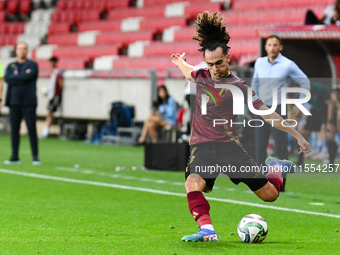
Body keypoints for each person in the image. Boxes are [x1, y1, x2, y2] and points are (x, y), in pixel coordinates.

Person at [171, 11, 310, 242]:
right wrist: (181, 63)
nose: (215, 68)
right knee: (193, 183)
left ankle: (275, 166)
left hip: (230, 149)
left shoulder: (239, 87)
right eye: (210, 64)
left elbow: (267, 114)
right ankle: (208, 231)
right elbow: (188, 73)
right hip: (203, 146)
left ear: (228, 57)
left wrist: (296, 134)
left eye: (219, 63)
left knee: (270, 195)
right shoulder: (202, 75)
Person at [251, 35, 310, 191]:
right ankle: (259, 184)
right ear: (266, 47)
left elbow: (305, 82)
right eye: (269, 44)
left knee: (281, 147)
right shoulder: (259, 63)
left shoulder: (288, 65)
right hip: (260, 109)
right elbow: (254, 84)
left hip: (278, 109)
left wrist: (300, 103)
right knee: (259, 147)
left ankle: (280, 185)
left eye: (275, 45)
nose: (272, 47)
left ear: (280, 47)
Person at [4, 42, 40, 165]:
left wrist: (18, 78)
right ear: (16, 50)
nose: (22, 51)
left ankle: (35, 156)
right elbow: (8, 79)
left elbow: (26, 77)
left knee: (31, 129)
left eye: (24, 49)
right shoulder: (11, 65)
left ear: (27, 50)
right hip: (14, 102)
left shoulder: (33, 65)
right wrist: (22, 76)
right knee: (14, 130)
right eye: (19, 49)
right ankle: (14, 156)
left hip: (28, 103)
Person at [297, 83, 337, 165]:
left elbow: (331, 104)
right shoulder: (300, 93)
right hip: (315, 110)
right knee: (304, 133)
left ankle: (331, 164)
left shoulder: (320, 88)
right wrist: (294, 121)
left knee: (329, 135)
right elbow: (298, 108)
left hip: (327, 111)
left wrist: (329, 122)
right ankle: (300, 162)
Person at [40, 56, 63, 138]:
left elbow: (61, 84)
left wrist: (57, 93)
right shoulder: (53, 73)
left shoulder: (57, 72)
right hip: (52, 96)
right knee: (49, 113)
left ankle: (46, 131)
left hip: (55, 96)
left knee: (50, 113)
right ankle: (46, 130)